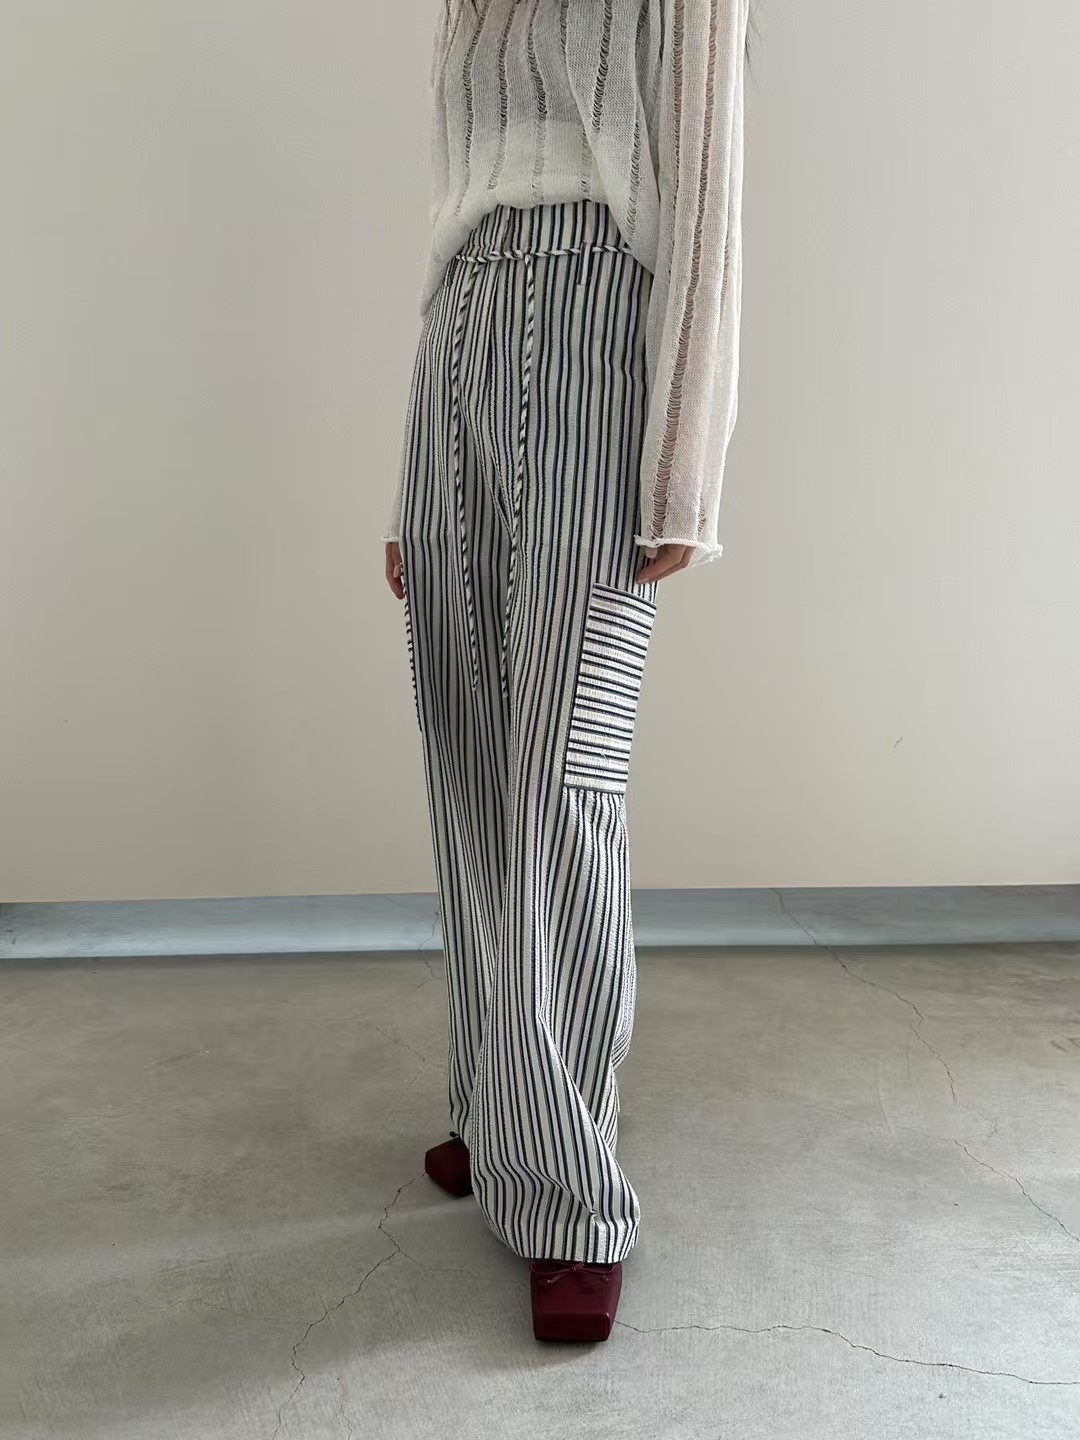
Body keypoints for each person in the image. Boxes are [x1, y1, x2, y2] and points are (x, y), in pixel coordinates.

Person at [381, 0, 750, 1342]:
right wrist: (411, 481)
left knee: (560, 777)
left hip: (601, 320)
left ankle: (573, 1193)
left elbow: (706, 196)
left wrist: (684, 468)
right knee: (467, 761)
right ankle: (499, 1109)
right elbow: (454, 213)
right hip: (462, 329)